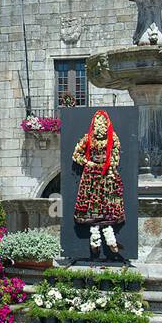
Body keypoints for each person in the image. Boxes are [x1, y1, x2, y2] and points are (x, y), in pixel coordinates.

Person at [72, 110, 126, 258]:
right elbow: (76, 154)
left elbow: (115, 155)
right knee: (94, 206)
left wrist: (111, 168)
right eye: (98, 122)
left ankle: (108, 239)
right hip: (92, 175)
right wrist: (88, 163)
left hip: (106, 174)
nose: (100, 125)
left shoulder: (112, 138)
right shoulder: (89, 138)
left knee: (106, 206)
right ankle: (97, 239)